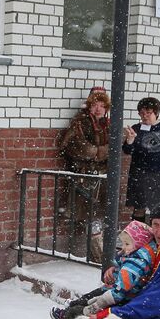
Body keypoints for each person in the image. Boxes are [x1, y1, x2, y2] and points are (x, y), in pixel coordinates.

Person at [84, 200, 160, 319]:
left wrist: (108, 314)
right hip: (139, 305)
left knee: (80, 313)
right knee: (88, 301)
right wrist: (118, 269)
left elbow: (155, 304)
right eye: (155, 225)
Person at [49, 220, 157, 319]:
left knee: (87, 302)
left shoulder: (134, 263)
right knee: (89, 297)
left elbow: (120, 291)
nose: (123, 248)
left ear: (140, 243)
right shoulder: (137, 256)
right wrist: (115, 268)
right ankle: (71, 307)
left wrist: (99, 304)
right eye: (123, 243)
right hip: (114, 290)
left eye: (127, 244)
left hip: (116, 296)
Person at [56, 86, 112, 256]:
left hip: (103, 176)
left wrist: (101, 152)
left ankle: (99, 254)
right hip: (84, 175)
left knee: (100, 214)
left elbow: (116, 149)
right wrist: (100, 152)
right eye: (95, 104)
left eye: (102, 105)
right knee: (90, 215)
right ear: (89, 105)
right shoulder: (80, 122)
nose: (98, 109)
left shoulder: (109, 124)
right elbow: (78, 147)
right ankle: (98, 255)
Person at [122, 96, 160, 220]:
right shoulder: (136, 128)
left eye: (148, 113)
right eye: (142, 113)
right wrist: (130, 140)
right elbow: (127, 151)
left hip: (159, 174)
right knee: (139, 208)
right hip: (139, 174)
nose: (145, 116)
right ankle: (138, 237)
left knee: (158, 209)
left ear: (156, 113)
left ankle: (156, 237)